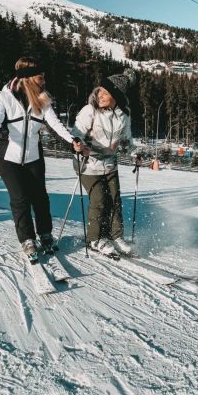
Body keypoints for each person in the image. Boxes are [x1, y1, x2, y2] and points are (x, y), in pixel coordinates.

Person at [0, 56, 81, 260]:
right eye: (40, 77)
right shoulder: (5, 96)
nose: (44, 81)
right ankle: (27, 239)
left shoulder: (42, 98)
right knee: (20, 199)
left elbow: (55, 125)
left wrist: (72, 142)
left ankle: (45, 234)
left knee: (41, 198)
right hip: (8, 157)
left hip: (34, 157)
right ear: (27, 78)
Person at [71, 69, 142, 258]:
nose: (100, 95)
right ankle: (95, 239)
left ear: (116, 96)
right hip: (88, 164)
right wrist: (79, 144)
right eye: (100, 91)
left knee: (115, 200)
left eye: (105, 92)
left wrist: (134, 154)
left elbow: (126, 141)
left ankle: (116, 236)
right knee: (99, 200)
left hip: (110, 164)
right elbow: (76, 132)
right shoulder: (90, 111)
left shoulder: (123, 116)